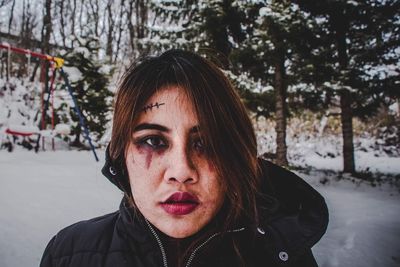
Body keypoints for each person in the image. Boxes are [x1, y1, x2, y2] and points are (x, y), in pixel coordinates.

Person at [40, 50, 328, 267]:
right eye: (153, 141)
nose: (181, 171)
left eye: (206, 143)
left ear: (235, 154)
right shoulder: (68, 253)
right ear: (121, 155)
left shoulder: (285, 258)